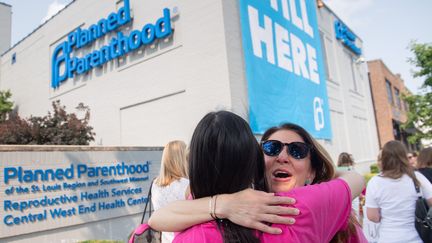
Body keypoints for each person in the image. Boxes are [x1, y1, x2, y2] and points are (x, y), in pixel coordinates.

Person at [149, 117, 366, 243]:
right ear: (256, 161)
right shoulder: (230, 206)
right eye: (271, 148)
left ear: (312, 171)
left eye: (297, 151)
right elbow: (158, 219)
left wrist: (323, 173)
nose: (282, 157)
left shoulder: (325, 210)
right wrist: (225, 204)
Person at [365, 141, 432, 243]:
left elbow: (372, 217)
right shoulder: (416, 177)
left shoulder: (374, 182)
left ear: (384, 158)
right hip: (416, 237)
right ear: (403, 156)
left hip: (388, 238)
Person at [151, 140, 189, 243]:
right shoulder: (187, 185)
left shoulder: (155, 184)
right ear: (183, 159)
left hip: (165, 239)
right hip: (186, 239)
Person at [337, 152, 361, 219]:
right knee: (355, 219)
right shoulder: (353, 171)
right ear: (350, 161)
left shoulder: (337, 172)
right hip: (353, 197)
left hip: (342, 198)